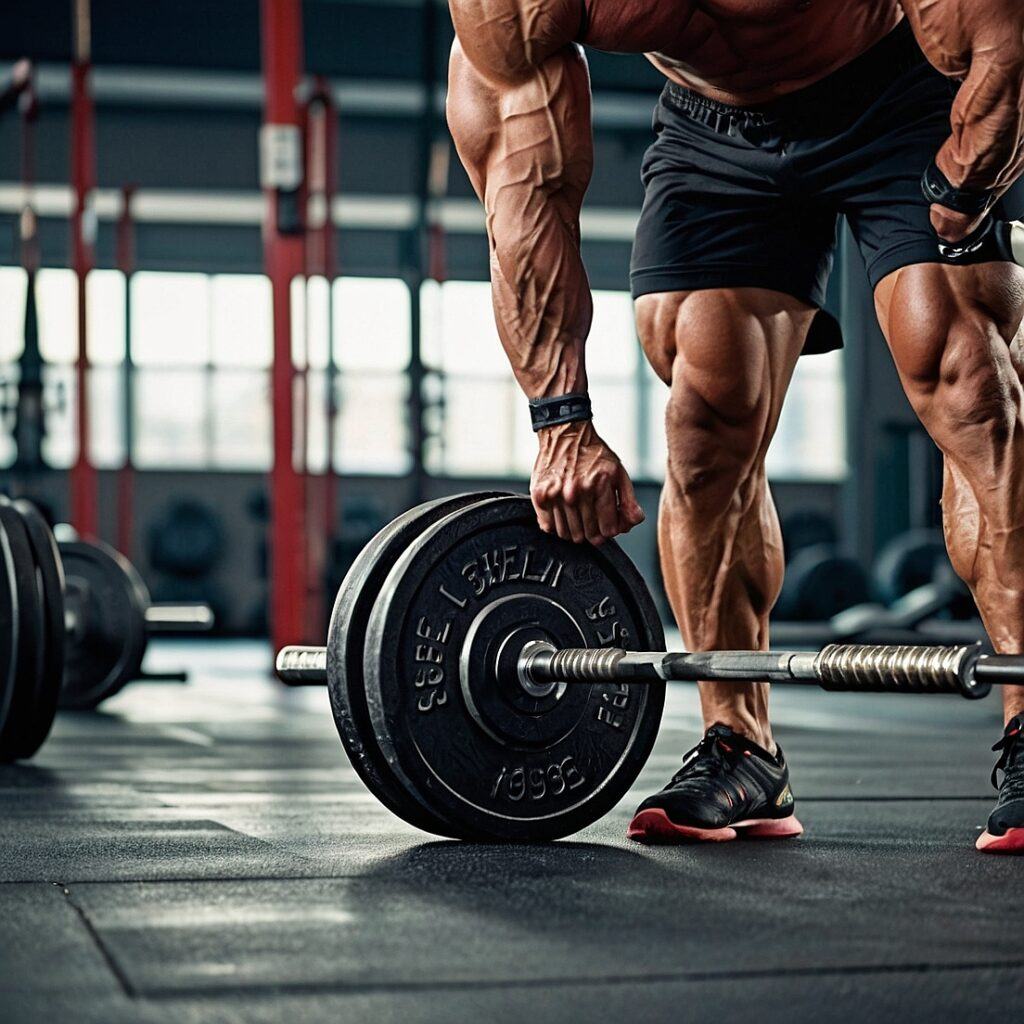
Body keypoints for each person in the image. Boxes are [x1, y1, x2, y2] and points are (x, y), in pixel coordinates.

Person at [446, 0, 1024, 852]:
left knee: (964, 374)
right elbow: (519, 182)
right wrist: (561, 421)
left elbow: (1003, 50)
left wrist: (967, 187)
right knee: (701, 421)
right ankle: (740, 745)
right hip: (714, 127)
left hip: (904, 90)